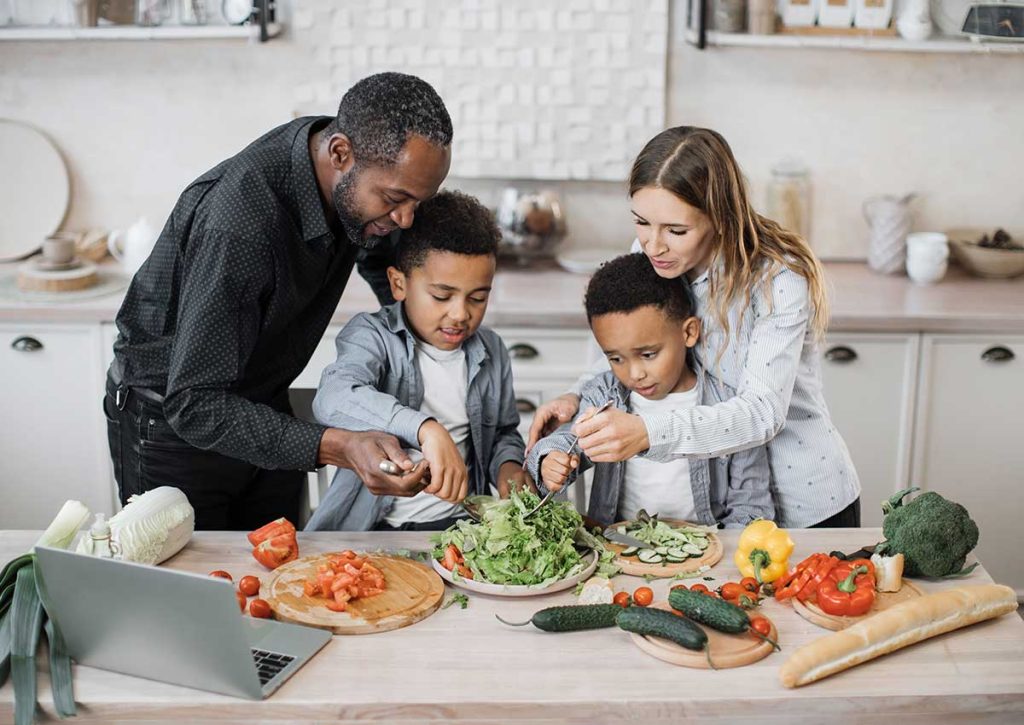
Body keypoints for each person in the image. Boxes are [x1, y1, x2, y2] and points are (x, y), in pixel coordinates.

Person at [104, 72, 454, 531]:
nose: (406, 218)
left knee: (282, 580)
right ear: (340, 154)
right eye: (395, 199)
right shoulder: (240, 224)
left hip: (261, 405)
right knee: (196, 594)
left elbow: (385, 262)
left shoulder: (353, 172)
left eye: (418, 201)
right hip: (172, 427)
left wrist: (426, 343)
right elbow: (194, 402)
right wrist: (340, 445)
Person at [527, 127, 861, 528]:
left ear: (719, 217)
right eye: (641, 222)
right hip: (722, 508)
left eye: (676, 230)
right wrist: (576, 394)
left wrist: (649, 431)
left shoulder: (778, 279)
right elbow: (629, 344)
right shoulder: (656, 256)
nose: (653, 245)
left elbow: (762, 414)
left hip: (803, 504)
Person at [305, 191, 530, 531]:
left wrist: (509, 466)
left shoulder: (491, 350)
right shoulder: (372, 335)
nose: (460, 314)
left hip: (462, 528)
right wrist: (426, 429)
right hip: (373, 532)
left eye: (478, 298)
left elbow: (502, 432)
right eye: (442, 296)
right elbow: (333, 397)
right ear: (399, 283)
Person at [526, 253, 772, 528]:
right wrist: (550, 461)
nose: (634, 374)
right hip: (618, 549)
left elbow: (751, 506)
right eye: (615, 359)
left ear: (689, 333)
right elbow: (567, 442)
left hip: (707, 551)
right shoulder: (605, 393)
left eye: (648, 354)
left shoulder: (728, 407)